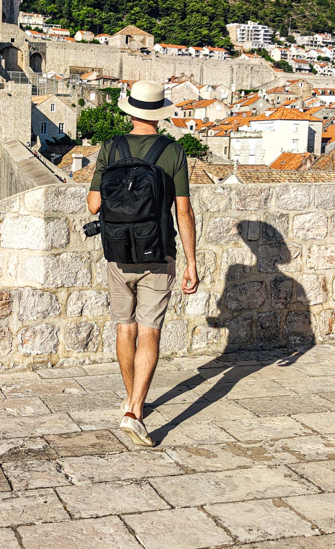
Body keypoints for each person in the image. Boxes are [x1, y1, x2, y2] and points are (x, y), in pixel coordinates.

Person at [87, 80, 198, 447]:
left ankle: (131, 401)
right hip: (158, 251)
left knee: (125, 328)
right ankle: (134, 409)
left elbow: (93, 206)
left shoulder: (109, 147)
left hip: (118, 252)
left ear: (129, 111)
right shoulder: (173, 152)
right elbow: (183, 210)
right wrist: (191, 262)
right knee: (149, 330)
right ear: (159, 113)